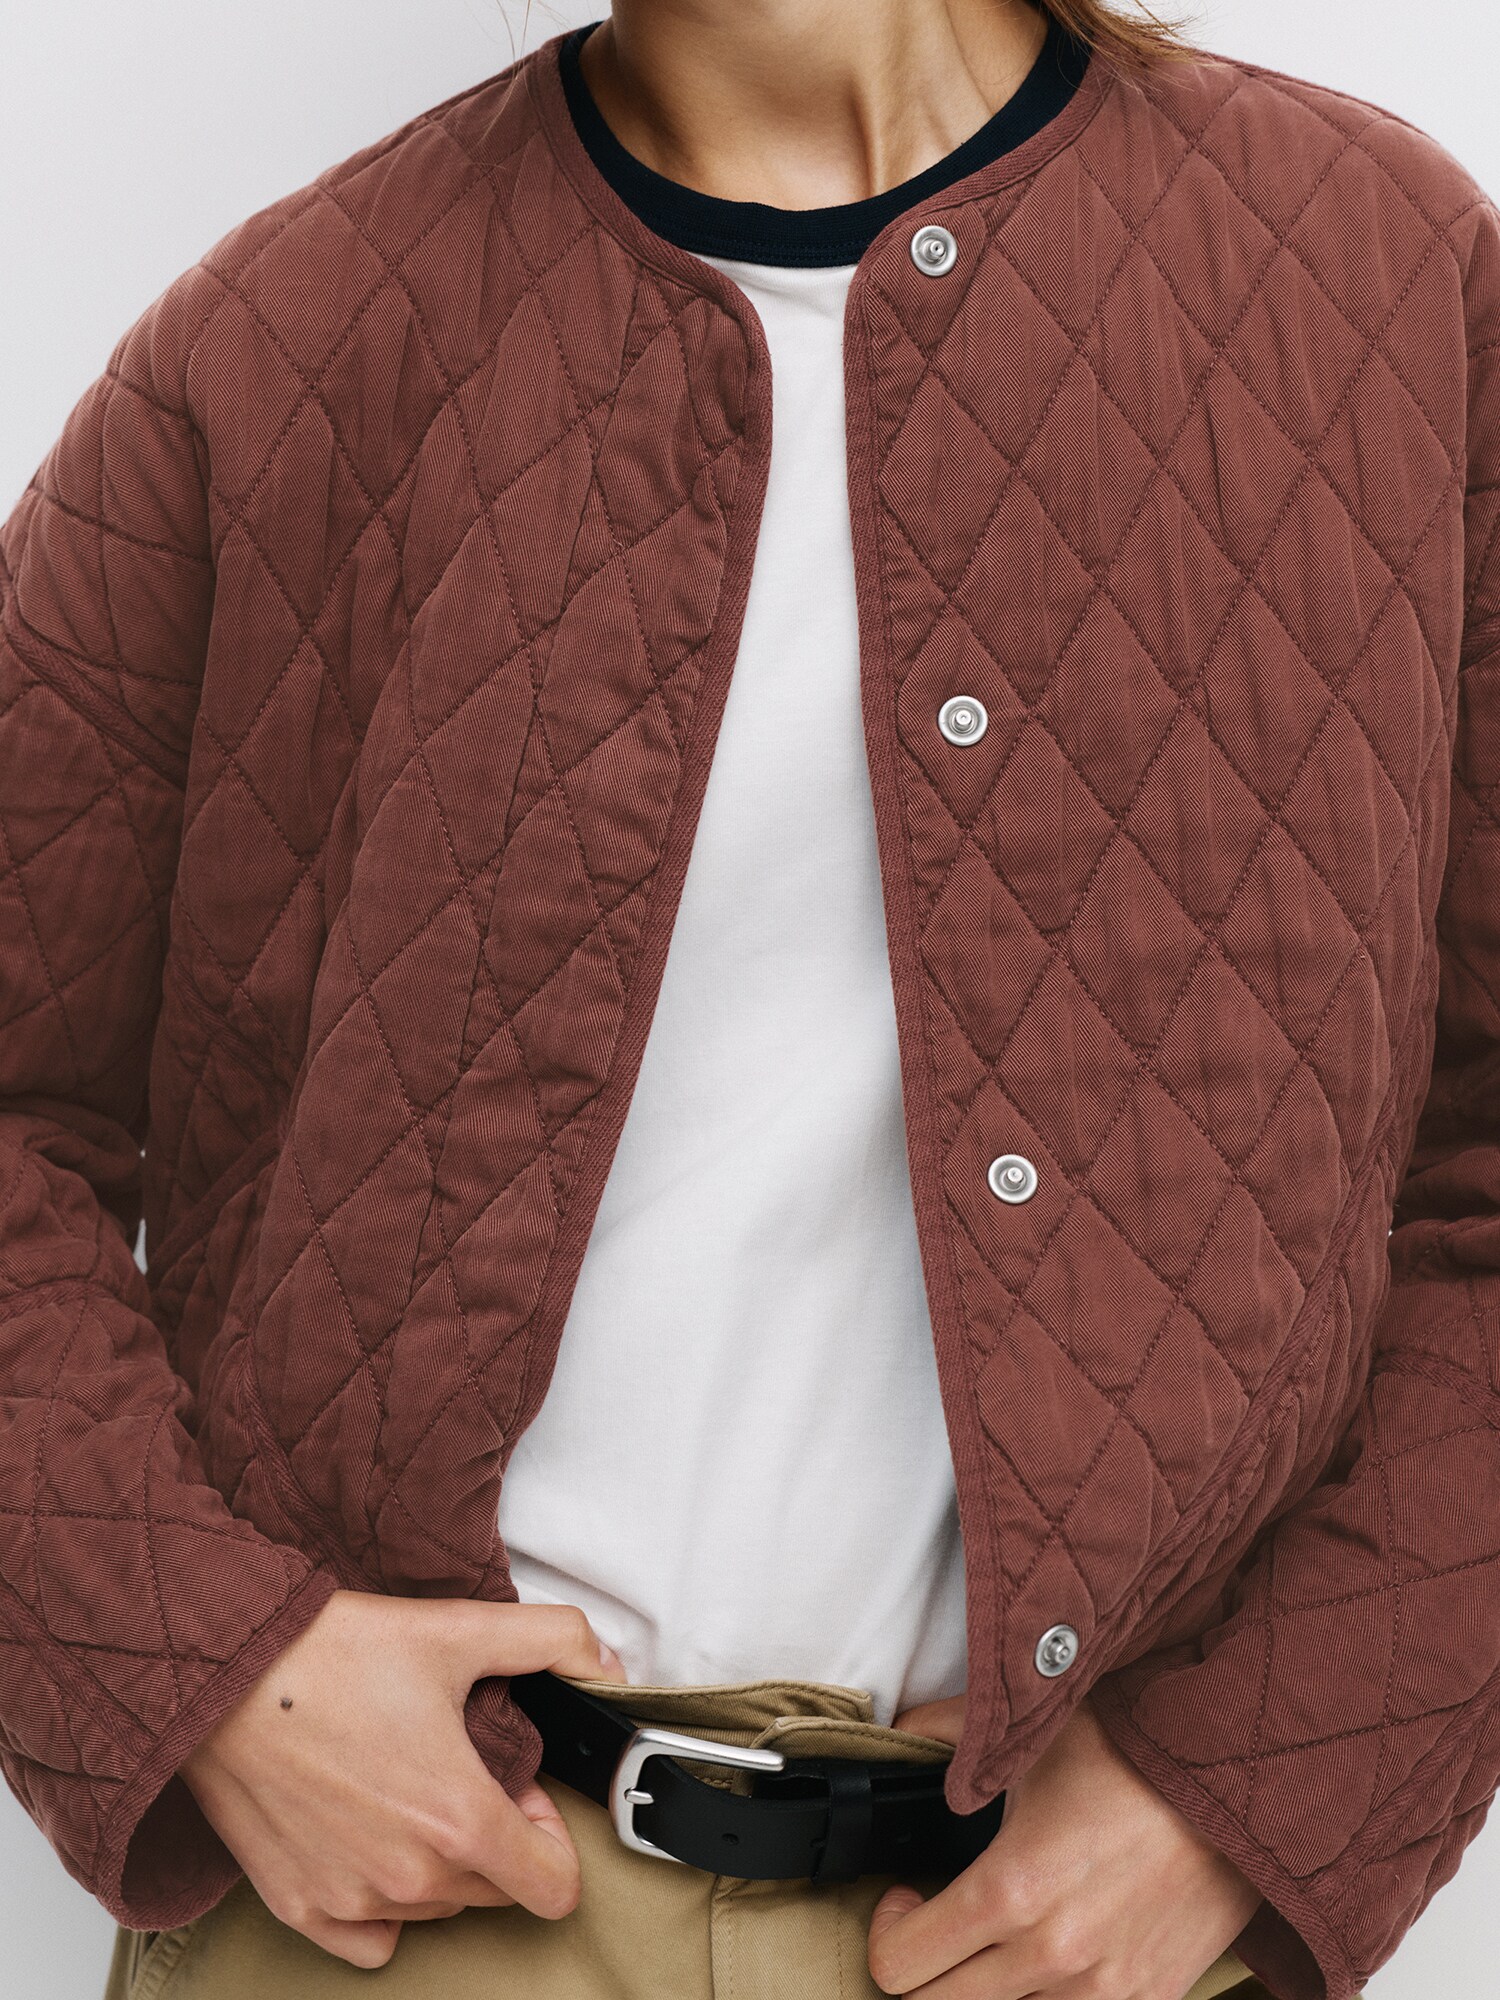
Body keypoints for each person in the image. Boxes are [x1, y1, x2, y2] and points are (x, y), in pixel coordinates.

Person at [1, 0, 1496, 1995]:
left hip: (1070, 1928)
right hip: (418, 1920)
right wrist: (203, 1669)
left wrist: (1260, 1793)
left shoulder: (1385, 277)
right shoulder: (281, 343)